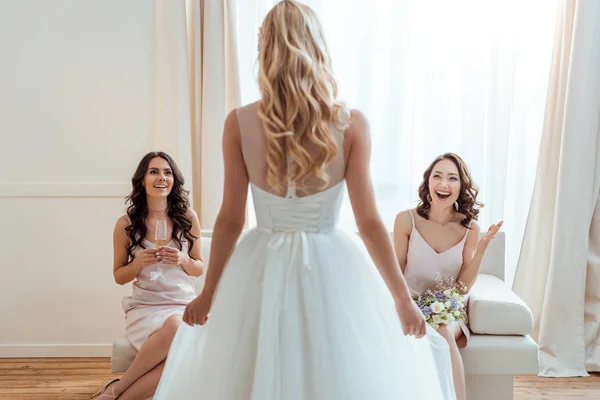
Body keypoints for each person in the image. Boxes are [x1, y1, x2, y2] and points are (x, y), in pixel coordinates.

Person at [155, 2, 455, 399]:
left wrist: (209, 294)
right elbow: (368, 223)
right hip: (331, 267)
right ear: (318, 49)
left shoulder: (240, 123)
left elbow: (230, 219)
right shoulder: (350, 124)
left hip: (258, 265)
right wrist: (402, 300)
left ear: (266, 51)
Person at [91, 151, 204, 400]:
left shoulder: (188, 218)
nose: (161, 177)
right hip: (147, 307)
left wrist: (183, 259)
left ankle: (116, 392)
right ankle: (117, 390)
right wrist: (138, 263)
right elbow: (119, 276)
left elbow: (199, 267)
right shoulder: (126, 224)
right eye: (153, 171)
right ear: (142, 180)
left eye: (167, 172)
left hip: (182, 302)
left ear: (174, 180)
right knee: (177, 325)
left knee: (179, 353)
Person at [393, 152, 502, 400]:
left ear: (461, 186)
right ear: (428, 183)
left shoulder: (470, 227)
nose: (444, 184)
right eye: (437, 176)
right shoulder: (406, 220)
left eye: (452, 178)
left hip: (448, 307)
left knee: (441, 332)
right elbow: (396, 273)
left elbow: (462, 287)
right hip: (411, 304)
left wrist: (482, 246)